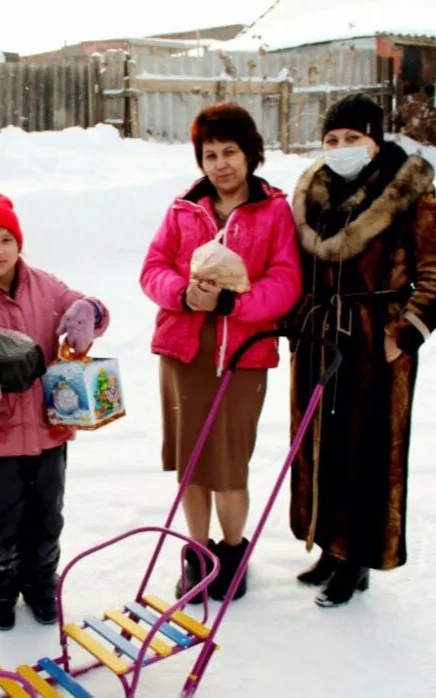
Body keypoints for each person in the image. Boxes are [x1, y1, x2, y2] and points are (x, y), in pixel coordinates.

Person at [288, 93, 436, 607]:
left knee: (367, 452)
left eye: (352, 139)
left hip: (372, 340)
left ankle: (357, 559)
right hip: (320, 338)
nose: (341, 148)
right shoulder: (314, 198)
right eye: (332, 140)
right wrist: (296, 323)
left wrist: (400, 334)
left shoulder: (410, 194)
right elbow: (298, 270)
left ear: (374, 140)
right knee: (322, 447)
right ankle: (330, 548)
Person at [140, 103, 302, 603]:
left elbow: (287, 280)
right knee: (192, 462)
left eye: (230, 151)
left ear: (250, 153)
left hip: (242, 351)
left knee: (229, 462)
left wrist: (235, 302)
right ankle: (197, 552)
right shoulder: (183, 209)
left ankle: (232, 553)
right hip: (185, 350)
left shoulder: (273, 210)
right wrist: (183, 295)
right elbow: (152, 269)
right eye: (209, 154)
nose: (220, 164)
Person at [0, 193, 110, 630]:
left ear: (19, 242)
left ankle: (41, 585)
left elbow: (89, 309)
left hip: (48, 428)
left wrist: (89, 311)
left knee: (46, 514)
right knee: (0, 516)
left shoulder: (46, 286)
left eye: (6, 239)